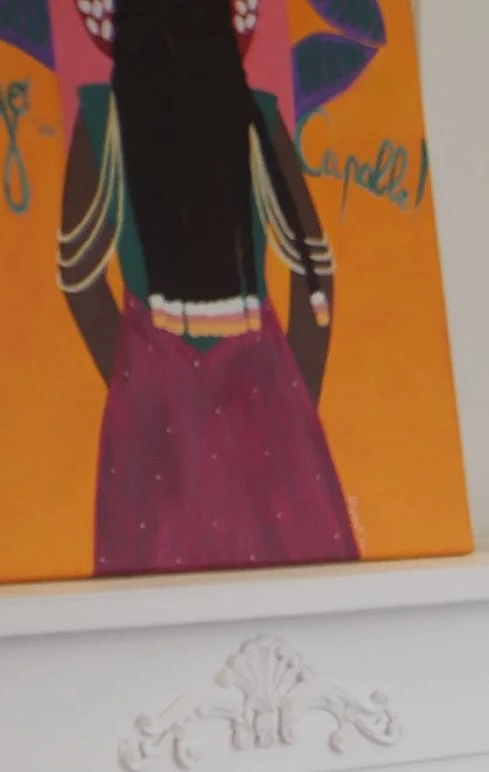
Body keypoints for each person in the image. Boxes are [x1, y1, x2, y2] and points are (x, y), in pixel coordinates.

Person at [55, 0, 357, 573]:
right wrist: (138, 385)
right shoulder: (104, 120)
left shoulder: (254, 120)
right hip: (175, 378)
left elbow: (313, 269)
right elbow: (80, 281)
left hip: (235, 375)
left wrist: (290, 400)